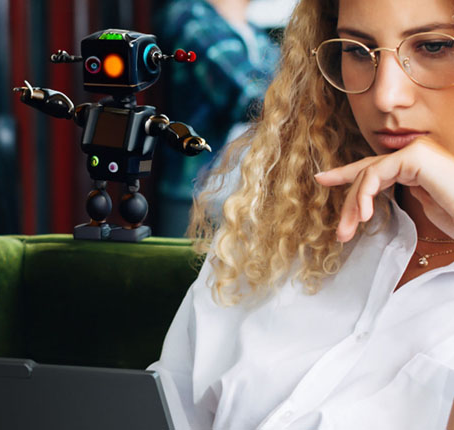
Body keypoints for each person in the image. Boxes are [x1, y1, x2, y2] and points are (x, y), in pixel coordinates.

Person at [147, 0, 454, 428]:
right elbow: (166, 410)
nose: (385, 96)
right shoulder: (275, 233)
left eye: (435, 47)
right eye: (357, 51)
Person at [154, 0, 280, 237]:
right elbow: (253, 97)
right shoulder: (191, 17)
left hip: (245, 194)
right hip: (197, 197)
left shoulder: (253, 31)